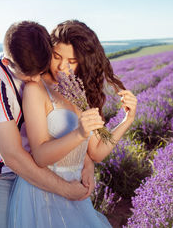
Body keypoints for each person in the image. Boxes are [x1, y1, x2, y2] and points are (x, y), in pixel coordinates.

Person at [8, 20, 138, 227]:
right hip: (42, 194)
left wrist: (127, 120)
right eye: (57, 56)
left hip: (75, 193)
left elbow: (96, 152)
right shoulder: (36, 89)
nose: (62, 66)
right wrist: (79, 133)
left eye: (72, 61)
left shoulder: (80, 90)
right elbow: (40, 156)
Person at [0, 21, 100, 228]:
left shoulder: (40, 61)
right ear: (7, 62)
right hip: (2, 175)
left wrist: (86, 162)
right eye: (28, 74)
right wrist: (66, 190)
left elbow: (63, 124)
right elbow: (13, 157)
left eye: (40, 71)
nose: (35, 79)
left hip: (45, 168)